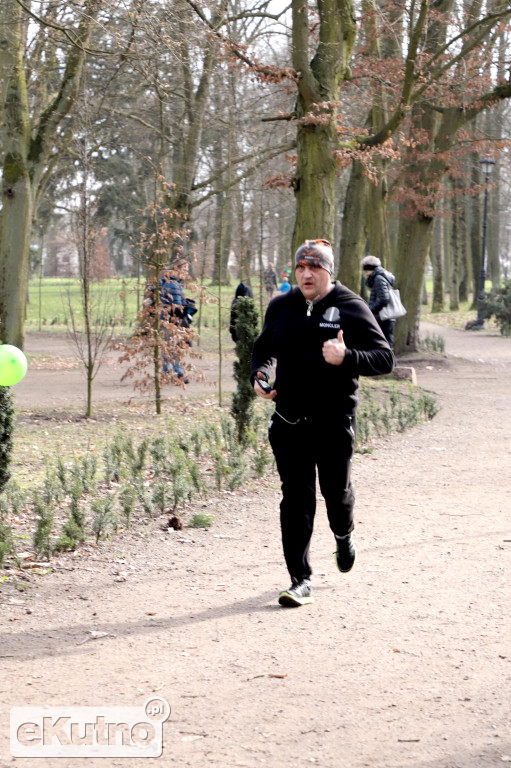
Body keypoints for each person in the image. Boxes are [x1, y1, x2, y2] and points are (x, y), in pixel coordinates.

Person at [251, 239, 395, 607]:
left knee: (336, 495)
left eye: (314, 267)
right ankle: (300, 579)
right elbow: (263, 349)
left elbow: (384, 358)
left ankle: (343, 535)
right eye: (300, 267)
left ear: (329, 271)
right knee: (295, 500)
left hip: (333, 421)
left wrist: (346, 356)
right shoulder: (281, 306)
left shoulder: (351, 306)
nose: (306, 274)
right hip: (289, 421)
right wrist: (261, 376)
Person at [159, 261, 196, 382]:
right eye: (185, 270)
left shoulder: (168, 281)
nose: (186, 273)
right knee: (174, 347)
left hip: (165, 319)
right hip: (173, 320)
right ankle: (178, 374)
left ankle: (166, 372)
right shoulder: (174, 284)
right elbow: (177, 307)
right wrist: (188, 310)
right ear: (177, 269)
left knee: (168, 346)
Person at [361, 255, 396, 349]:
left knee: (385, 344)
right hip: (385, 317)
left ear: (369, 269)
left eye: (365, 270)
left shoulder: (378, 279)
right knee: (386, 343)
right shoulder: (380, 277)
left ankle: (390, 363)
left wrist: (371, 310)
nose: (365, 273)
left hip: (383, 317)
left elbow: (384, 298)